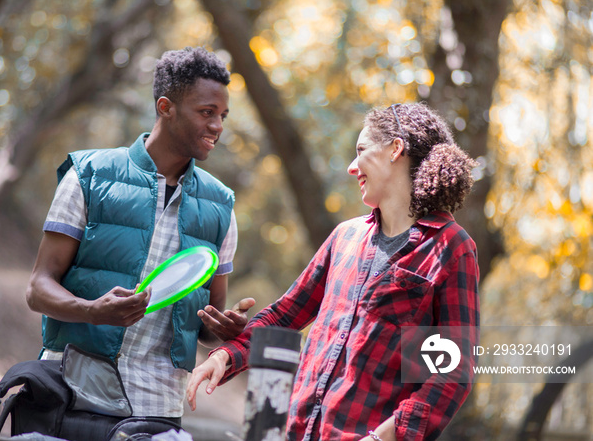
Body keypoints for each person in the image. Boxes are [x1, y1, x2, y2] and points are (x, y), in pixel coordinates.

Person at [189, 103, 480, 441]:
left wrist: (383, 438)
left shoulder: (451, 248)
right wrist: (226, 356)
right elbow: (285, 315)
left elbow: (452, 373)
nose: (351, 167)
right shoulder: (345, 236)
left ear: (395, 149)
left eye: (361, 151)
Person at [25, 46, 255, 433]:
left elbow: (205, 325)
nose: (217, 126)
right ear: (166, 107)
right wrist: (90, 310)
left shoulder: (222, 207)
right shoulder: (89, 175)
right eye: (206, 112)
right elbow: (37, 288)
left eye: (222, 116)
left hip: (156, 411)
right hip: (70, 394)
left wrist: (226, 327)